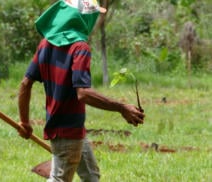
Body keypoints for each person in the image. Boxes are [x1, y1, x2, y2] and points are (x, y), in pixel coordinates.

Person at [17, 0, 145, 181]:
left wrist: (24, 121)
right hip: (68, 133)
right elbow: (83, 93)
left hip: (70, 129)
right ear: (84, 18)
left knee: (92, 176)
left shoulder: (45, 44)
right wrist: (121, 107)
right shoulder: (80, 48)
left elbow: (25, 84)